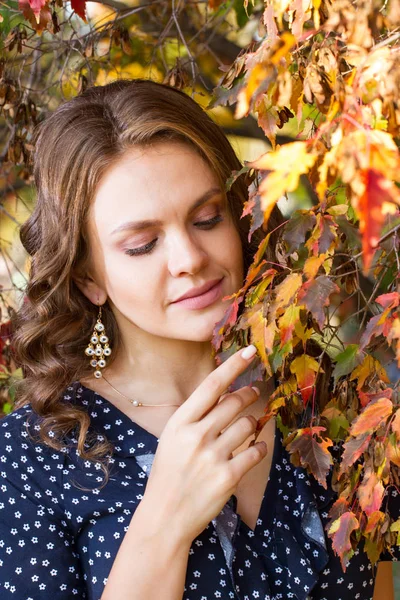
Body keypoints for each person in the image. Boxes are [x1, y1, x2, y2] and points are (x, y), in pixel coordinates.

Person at [0, 78, 397, 600]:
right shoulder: (29, 461)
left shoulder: (327, 408)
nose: (190, 259)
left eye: (207, 218)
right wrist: (164, 524)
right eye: (143, 245)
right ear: (87, 279)